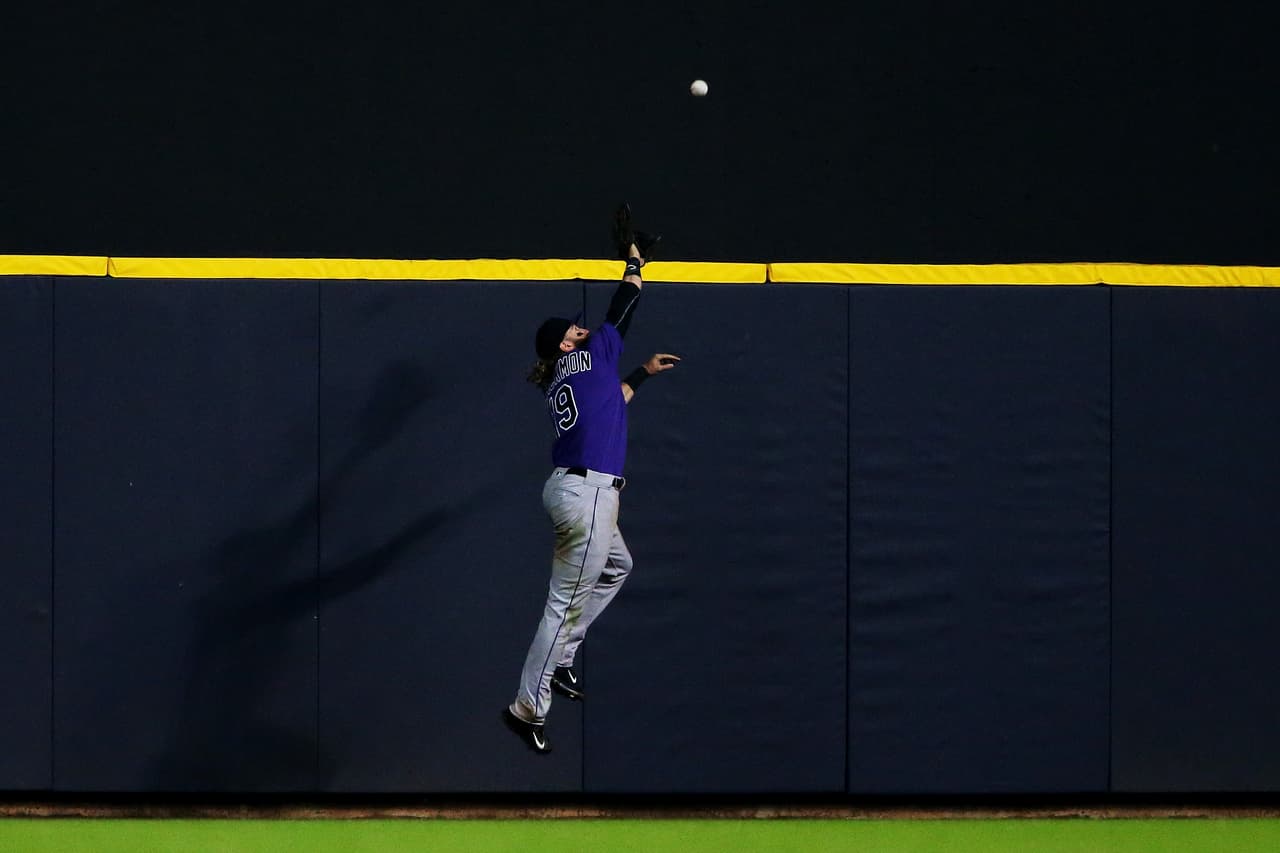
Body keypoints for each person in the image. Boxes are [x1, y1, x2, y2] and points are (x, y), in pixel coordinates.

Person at [502, 206, 680, 754]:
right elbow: (623, 306)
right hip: (587, 496)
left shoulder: (571, 376)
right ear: (565, 344)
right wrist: (634, 261)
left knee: (618, 567)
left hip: (577, 489)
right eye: (574, 330)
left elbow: (611, 405)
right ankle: (527, 706)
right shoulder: (589, 356)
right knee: (562, 606)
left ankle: (560, 660)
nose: (585, 330)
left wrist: (641, 375)